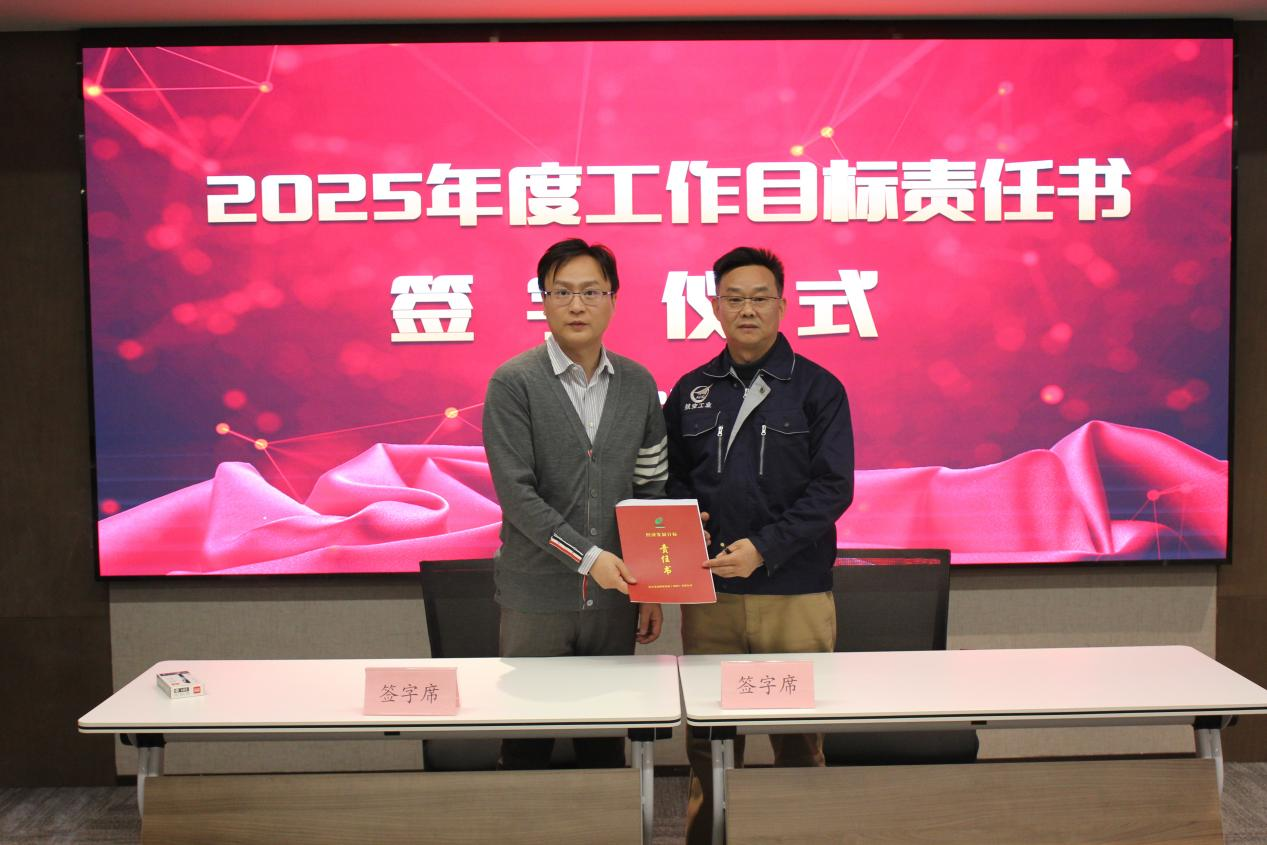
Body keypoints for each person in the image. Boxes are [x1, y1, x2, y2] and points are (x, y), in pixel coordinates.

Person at [663, 246, 855, 845]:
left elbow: (832, 488)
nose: (747, 310)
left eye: (760, 298)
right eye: (734, 298)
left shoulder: (818, 389)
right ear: (715, 306)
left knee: (799, 743)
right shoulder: (691, 390)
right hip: (712, 599)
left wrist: (764, 548)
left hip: (794, 597)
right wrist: (685, 533)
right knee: (708, 749)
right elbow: (671, 482)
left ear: (782, 305)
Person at [482, 238, 667, 770]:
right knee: (526, 744)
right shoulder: (514, 382)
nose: (576, 305)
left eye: (591, 291)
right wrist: (588, 558)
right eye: (561, 292)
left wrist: (651, 587)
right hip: (536, 599)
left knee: (604, 746)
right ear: (543, 300)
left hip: (615, 601)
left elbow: (651, 488)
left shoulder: (638, 384)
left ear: (613, 299)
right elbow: (518, 496)